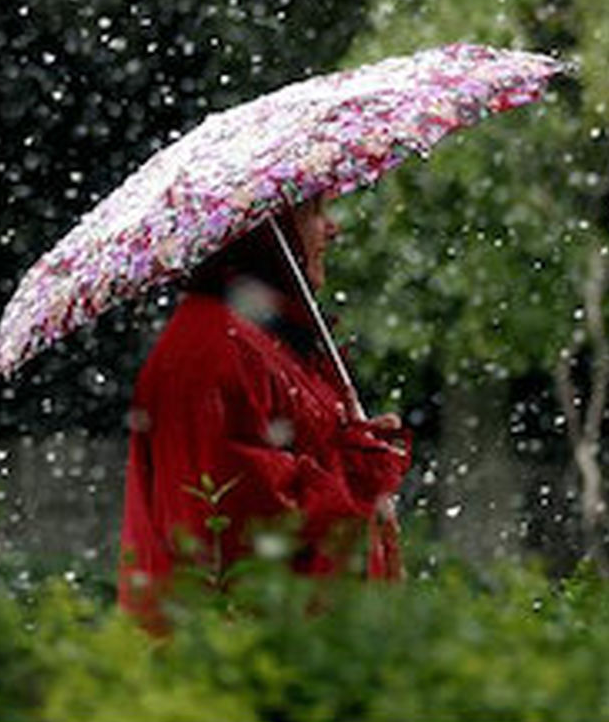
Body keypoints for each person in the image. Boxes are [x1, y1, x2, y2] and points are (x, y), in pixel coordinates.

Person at [118, 195, 411, 633]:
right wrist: (358, 477)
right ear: (265, 232)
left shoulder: (265, 339)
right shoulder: (217, 350)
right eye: (313, 213)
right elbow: (245, 534)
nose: (332, 229)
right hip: (250, 671)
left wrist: (352, 448)